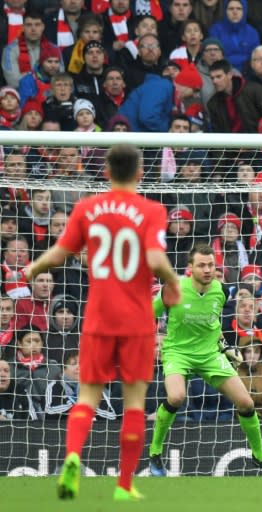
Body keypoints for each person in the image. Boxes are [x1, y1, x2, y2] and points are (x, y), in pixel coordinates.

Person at [24, 144, 182, 501]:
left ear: (106, 172)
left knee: (87, 397)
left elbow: (62, 252)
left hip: (97, 318)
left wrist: (34, 267)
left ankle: (73, 459)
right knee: (134, 403)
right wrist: (173, 283)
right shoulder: (152, 210)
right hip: (137, 322)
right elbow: (156, 258)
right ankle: (124, 485)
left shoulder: (87, 208)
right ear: (141, 173)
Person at [147, 244, 262, 477]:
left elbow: (213, 325)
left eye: (211, 265)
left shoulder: (221, 291)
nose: (207, 269)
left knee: (246, 403)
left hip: (210, 354)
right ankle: (155, 453)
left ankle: (260, 456)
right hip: (178, 353)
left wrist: (225, 347)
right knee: (176, 396)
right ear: (190, 268)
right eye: (201, 265)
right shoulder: (173, 289)